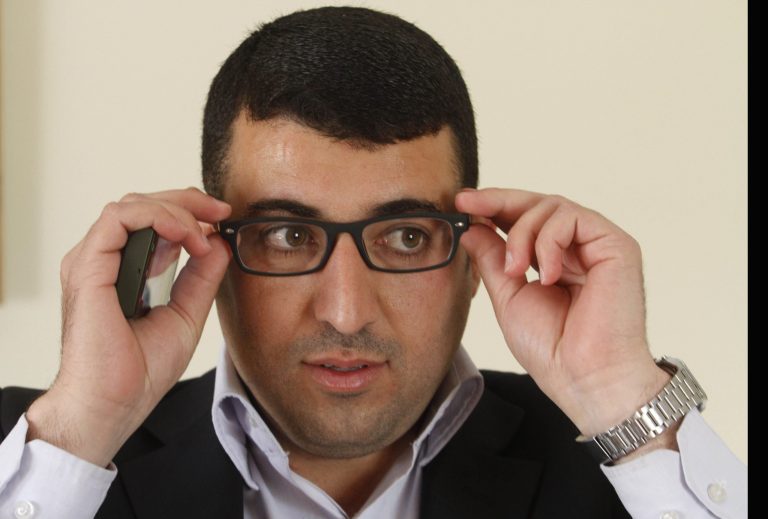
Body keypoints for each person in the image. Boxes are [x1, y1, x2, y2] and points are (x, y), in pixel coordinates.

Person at [0, 6, 745, 518]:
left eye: (407, 237)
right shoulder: (48, 453)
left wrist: (622, 396)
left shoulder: (626, 467)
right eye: (287, 236)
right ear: (210, 249)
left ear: (473, 255)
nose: (346, 311)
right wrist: (83, 428)